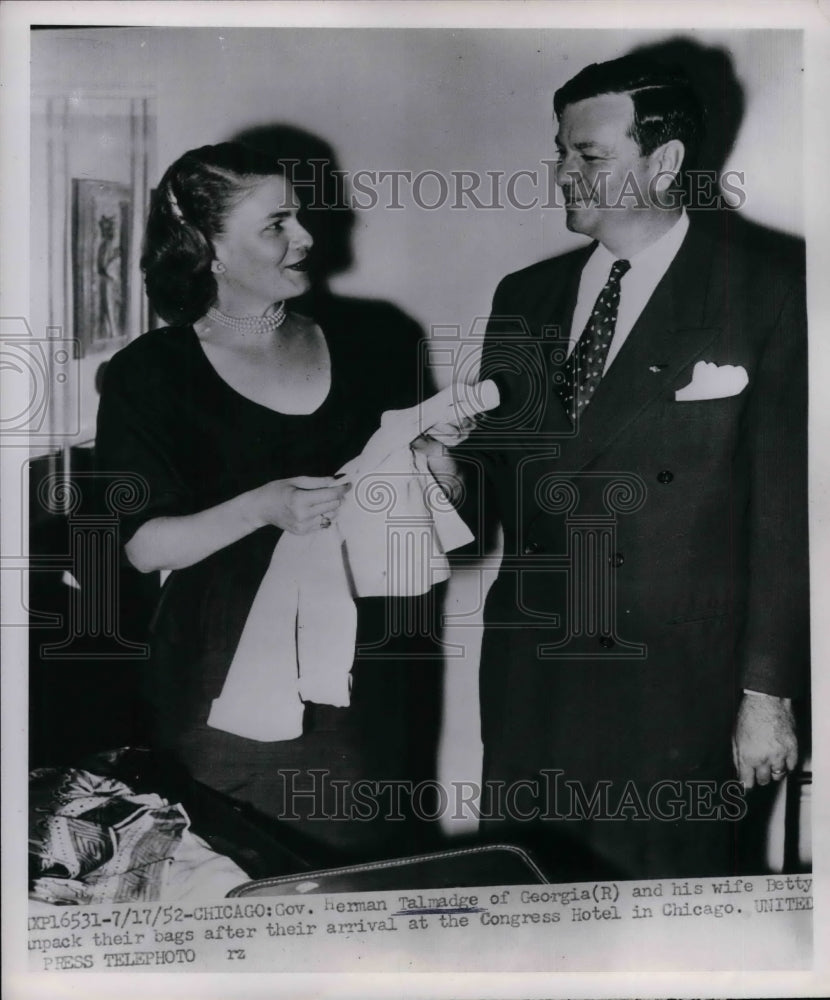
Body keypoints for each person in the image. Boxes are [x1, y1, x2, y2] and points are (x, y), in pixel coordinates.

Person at [471, 55, 808, 880]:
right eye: (560, 151)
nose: (561, 174)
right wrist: (438, 469)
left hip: (680, 686)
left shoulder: (772, 288)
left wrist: (767, 695)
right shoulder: (524, 297)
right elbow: (494, 481)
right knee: (526, 894)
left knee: (661, 908)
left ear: (665, 162)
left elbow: (789, 513)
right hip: (531, 677)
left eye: (588, 155)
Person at [95, 142, 451, 864]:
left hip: (367, 670)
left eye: (300, 215)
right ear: (209, 249)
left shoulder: (377, 339)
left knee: (367, 872)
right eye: (276, 223)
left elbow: (432, 507)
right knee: (241, 873)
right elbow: (142, 546)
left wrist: (439, 461)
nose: (306, 237)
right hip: (222, 679)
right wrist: (262, 506)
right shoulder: (149, 374)